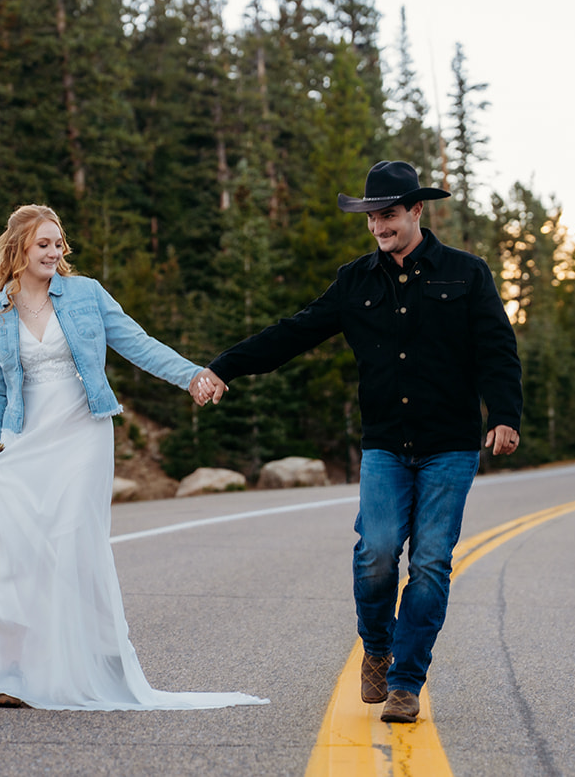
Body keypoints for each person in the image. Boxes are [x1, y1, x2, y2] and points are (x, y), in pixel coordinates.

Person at [0, 204, 266, 712]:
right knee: (14, 551)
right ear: (20, 248)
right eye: (43, 243)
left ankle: (57, 672)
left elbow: (138, 343)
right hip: (21, 440)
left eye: (58, 243)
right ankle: (8, 671)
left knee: (69, 546)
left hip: (82, 436)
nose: (54, 252)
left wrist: (193, 375)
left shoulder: (86, 294)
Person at [195, 161, 521, 723]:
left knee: (432, 564)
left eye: (389, 215)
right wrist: (227, 366)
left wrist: (505, 415)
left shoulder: (466, 274)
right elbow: (293, 332)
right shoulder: (355, 282)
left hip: (451, 445)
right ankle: (376, 646)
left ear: (417, 210)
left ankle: (405, 682)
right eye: (372, 217)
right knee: (375, 554)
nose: (378, 227)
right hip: (386, 445)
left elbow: (497, 348)